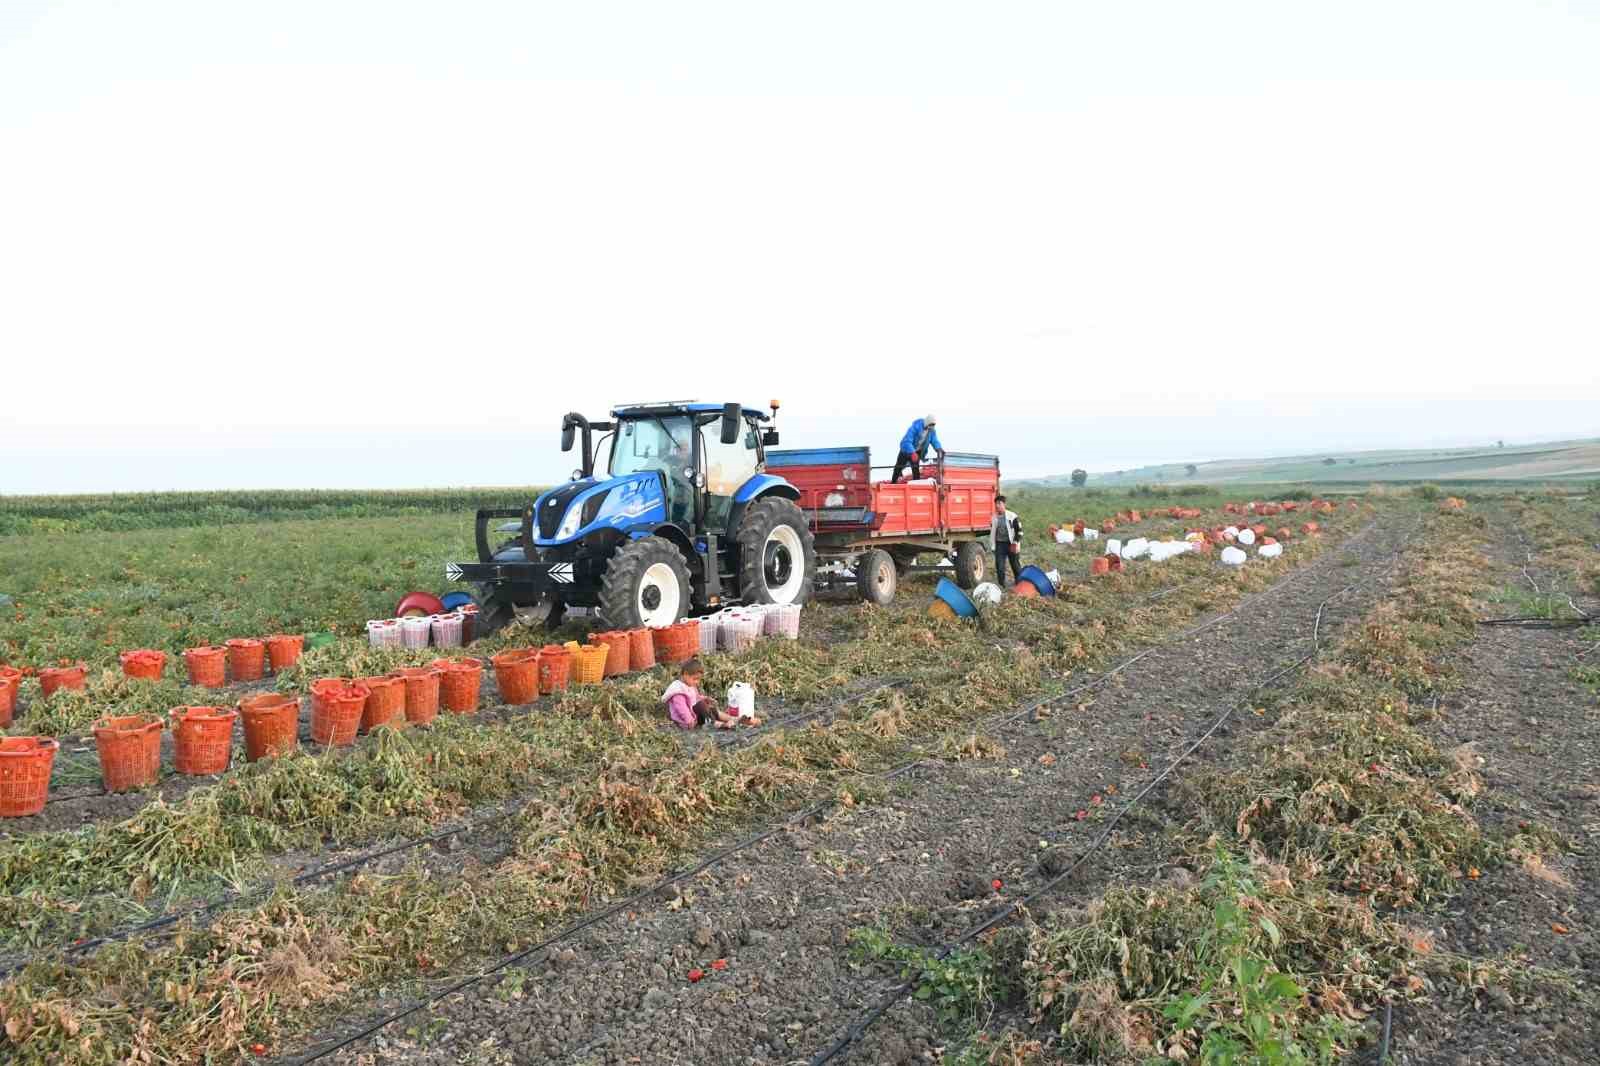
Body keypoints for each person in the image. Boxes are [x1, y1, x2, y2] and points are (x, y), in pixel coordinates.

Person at [662, 658, 743, 729]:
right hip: (686, 721)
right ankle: (717, 724)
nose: (697, 682)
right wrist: (689, 721)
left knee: (711, 709)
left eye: (698, 679)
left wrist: (705, 698)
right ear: (685, 674)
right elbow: (682, 710)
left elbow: (695, 698)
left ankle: (732, 718)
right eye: (695, 679)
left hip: (695, 714)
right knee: (701, 706)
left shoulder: (690, 685)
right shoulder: (678, 691)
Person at [891, 415, 943, 483]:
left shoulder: (931, 431)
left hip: (917, 451)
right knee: (898, 467)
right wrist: (912, 452)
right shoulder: (914, 427)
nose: (931, 427)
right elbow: (906, 441)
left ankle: (916, 485)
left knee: (915, 469)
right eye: (930, 425)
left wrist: (939, 448)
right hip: (906, 450)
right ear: (927, 423)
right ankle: (893, 482)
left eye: (933, 425)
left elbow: (934, 440)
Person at [990, 494, 1023, 587]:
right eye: (996, 504)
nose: (997, 506)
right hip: (1000, 544)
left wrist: (1016, 542)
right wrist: (993, 545)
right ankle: (1001, 585)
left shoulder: (1012, 516)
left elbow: (1019, 532)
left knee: (1015, 565)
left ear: (1004, 504)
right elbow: (993, 532)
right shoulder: (994, 517)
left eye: (999, 503)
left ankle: (1019, 583)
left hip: (1012, 544)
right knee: (1000, 566)